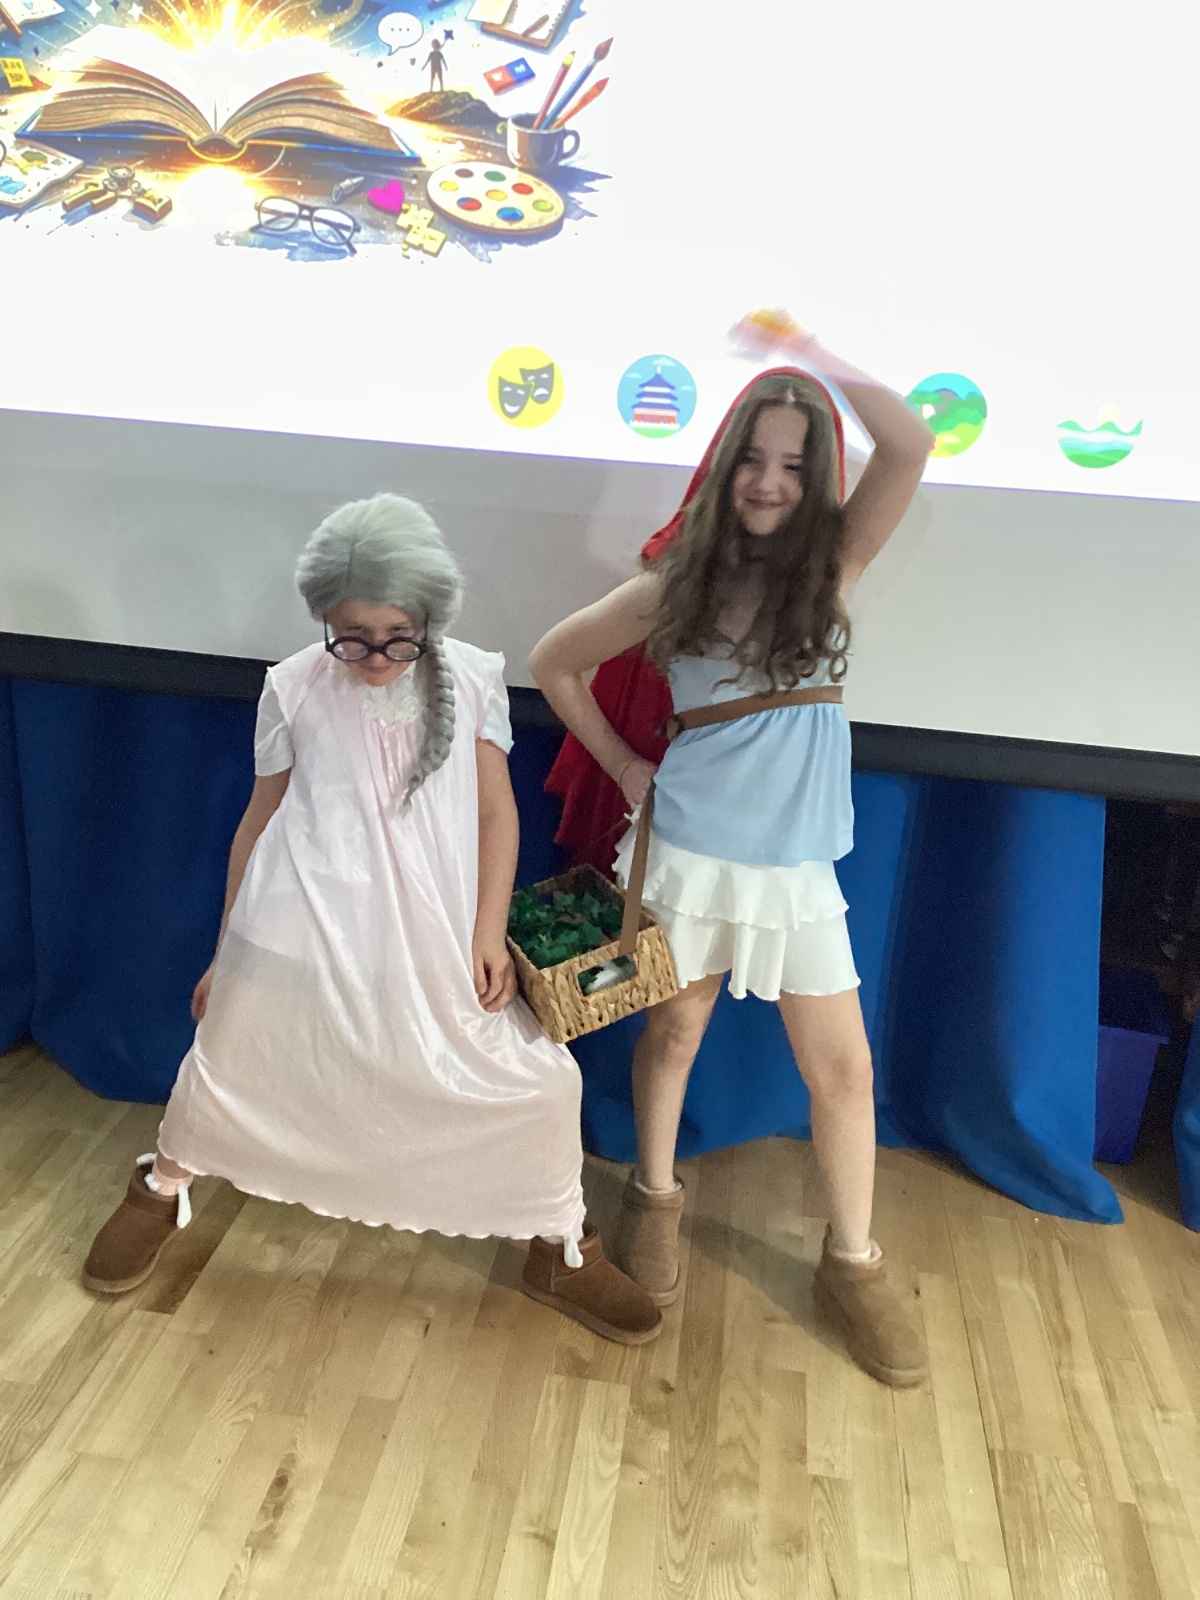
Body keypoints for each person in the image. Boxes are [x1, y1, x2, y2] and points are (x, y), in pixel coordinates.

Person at [82, 493, 661, 1347]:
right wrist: (225, 952)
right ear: (323, 618)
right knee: (232, 1053)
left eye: (398, 637)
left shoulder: (471, 677)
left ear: (429, 618)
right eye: (351, 638)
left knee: (536, 1083)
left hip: (429, 930)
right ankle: (162, 1187)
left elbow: (495, 813)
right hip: (302, 917)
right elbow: (258, 823)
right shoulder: (293, 686)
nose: (376, 656)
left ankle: (558, 1243)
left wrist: (486, 932)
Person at [530, 337, 935, 1385]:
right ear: (724, 464)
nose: (769, 481)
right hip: (692, 856)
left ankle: (853, 1262)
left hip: (797, 871)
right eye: (754, 457)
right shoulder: (678, 583)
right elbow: (554, 661)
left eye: (795, 464)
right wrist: (626, 766)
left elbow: (909, 443)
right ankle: (654, 1196)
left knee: (843, 1070)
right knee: (673, 1036)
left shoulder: (835, 565)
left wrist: (809, 354)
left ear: (818, 477)